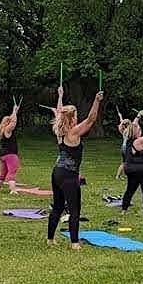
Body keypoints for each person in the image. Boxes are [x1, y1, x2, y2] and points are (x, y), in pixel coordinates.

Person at [46, 85, 103, 250]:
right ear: (72, 118)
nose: (78, 117)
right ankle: (75, 243)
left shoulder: (60, 131)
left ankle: (50, 240)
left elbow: (59, 112)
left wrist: (60, 96)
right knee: (74, 208)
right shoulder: (73, 132)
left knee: (57, 206)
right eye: (76, 115)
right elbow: (91, 119)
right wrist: (96, 101)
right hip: (69, 175)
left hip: (57, 172)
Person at [0, 100, 20, 194]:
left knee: (3, 172)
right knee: (12, 171)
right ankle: (13, 190)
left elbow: (13, 121)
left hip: (3, 154)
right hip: (10, 154)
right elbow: (13, 123)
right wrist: (14, 111)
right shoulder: (7, 130)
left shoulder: (2, 130)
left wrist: (15, 112)